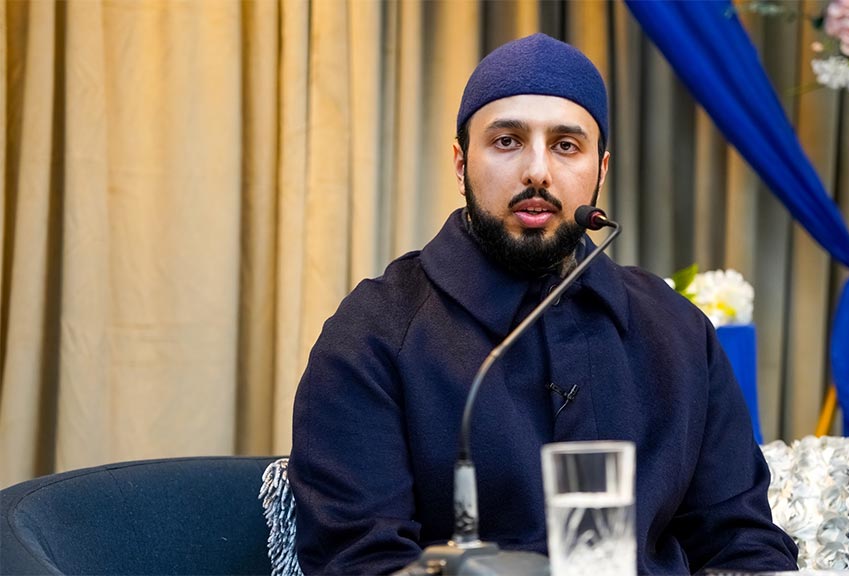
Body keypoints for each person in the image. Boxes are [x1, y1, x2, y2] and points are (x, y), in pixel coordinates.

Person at [290, 33, 798, 575]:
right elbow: (360, 561)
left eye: (565, 145)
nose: (538, 171)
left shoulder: (678, 331)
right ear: (461, 164)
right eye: (507, 141)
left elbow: (744, 546)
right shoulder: (374, 331)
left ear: (601, 170)